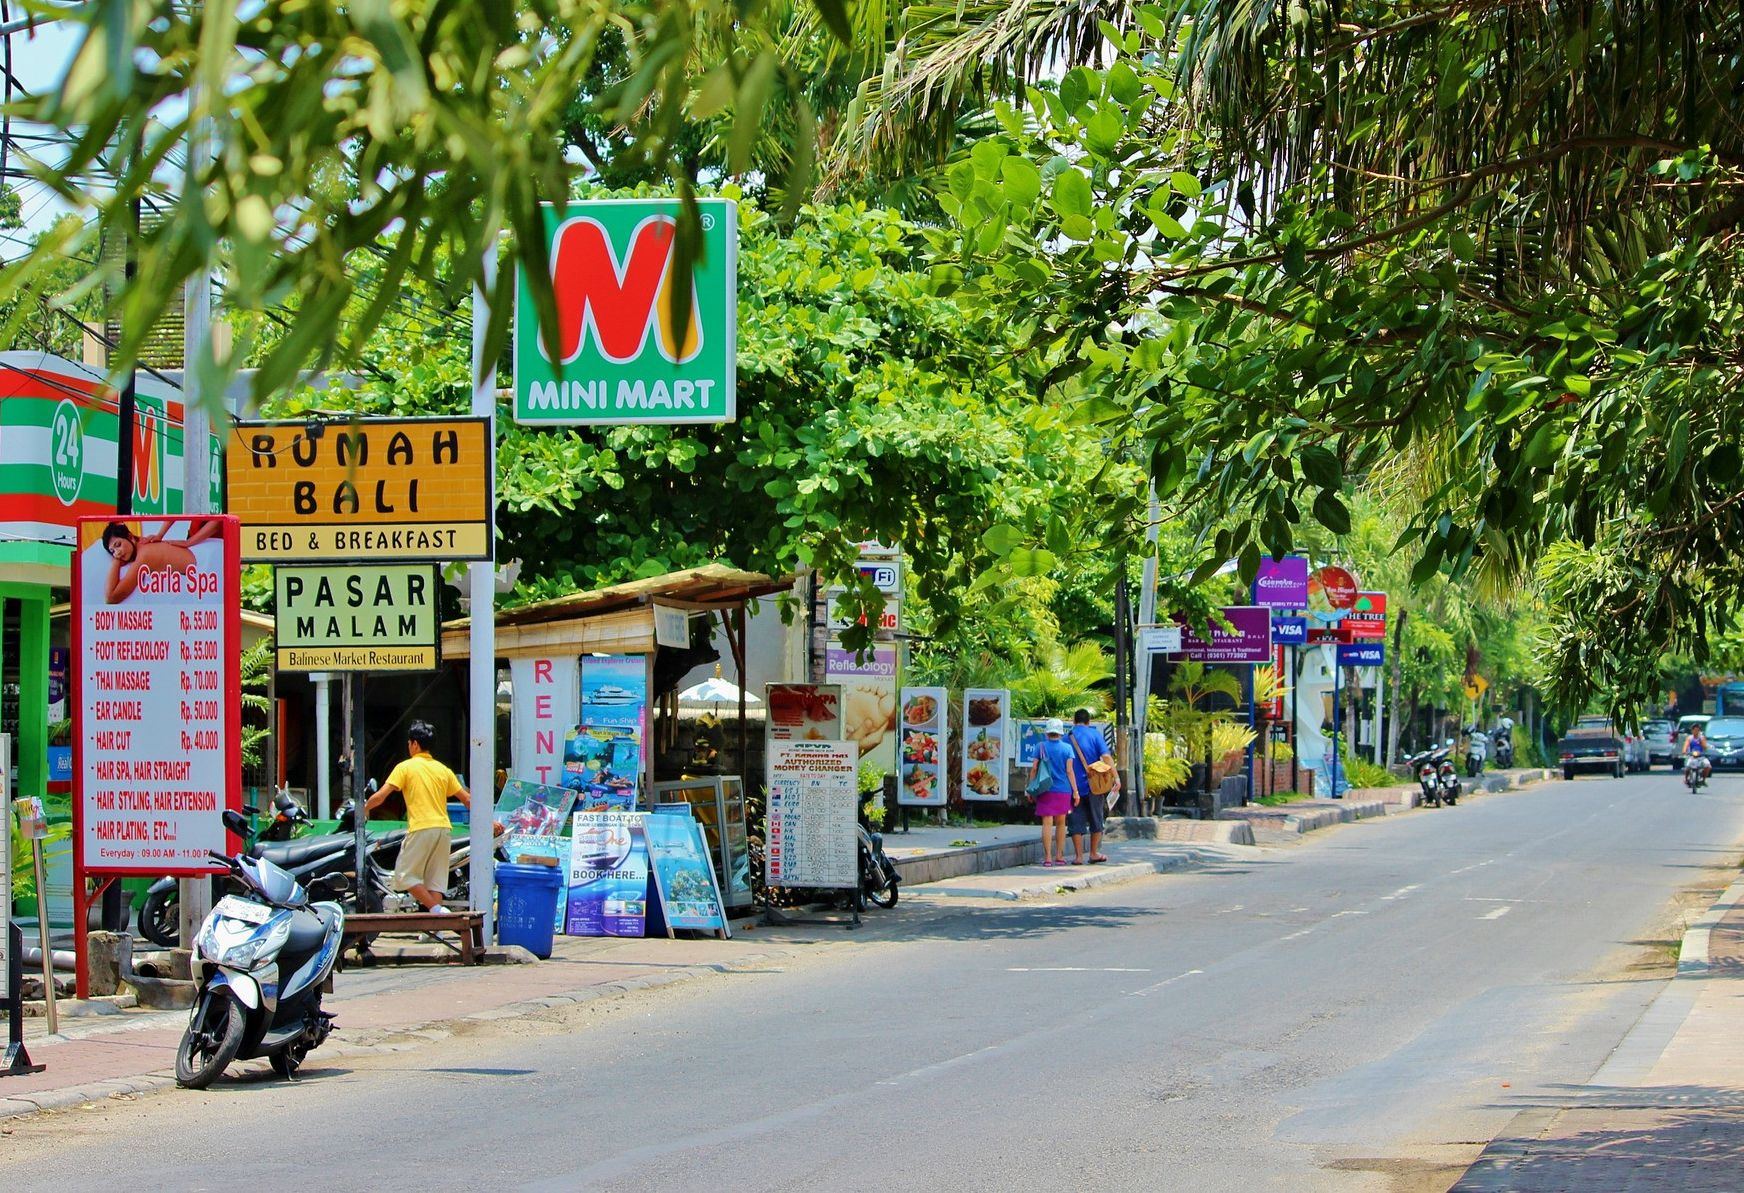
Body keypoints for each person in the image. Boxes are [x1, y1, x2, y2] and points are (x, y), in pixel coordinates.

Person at [366, 721, 487, 913]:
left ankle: (437, 911)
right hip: (444, 830)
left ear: (414, 744)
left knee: (404, 875)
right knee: (435, 881)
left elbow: (381, 796)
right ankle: (436, 926)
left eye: (409, 743)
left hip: (421, 828)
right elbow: (467, 799)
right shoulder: (443, 770)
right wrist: (489, 820)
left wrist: (364, 809)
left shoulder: (405, 767)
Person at [100, 519, 221, 603]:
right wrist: (160, 534)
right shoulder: (144, 544)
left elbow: (111, 597)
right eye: (112, 552)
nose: (118, 553)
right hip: (205, 553)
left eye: (118, 545)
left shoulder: (144, 556)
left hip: (210, 561)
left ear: (130, 536)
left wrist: (115, 562)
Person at [1066, 708, 1116, 864]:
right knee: (1096, 819)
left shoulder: (1067, 737)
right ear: (1089, 722)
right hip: (1095, 785)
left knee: (1076, 820)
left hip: (1074, 787)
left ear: (1074, 721)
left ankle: (1078, 856)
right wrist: (1116, 777)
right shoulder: (1095, 735)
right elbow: (1106, 757)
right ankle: (1094, 853)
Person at [1029, 718, 1081, 868]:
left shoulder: (1040, 747)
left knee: (1047, 823)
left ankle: (1047, 858)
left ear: (1047, 732)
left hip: (1045, 789)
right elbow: (1070, 771)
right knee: (1061, 823)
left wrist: (1030, 788)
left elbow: (1034, 769)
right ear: (1060, 733)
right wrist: (1076, 792)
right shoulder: (1067, 749)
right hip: (1063, 789)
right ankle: (1059, 856)